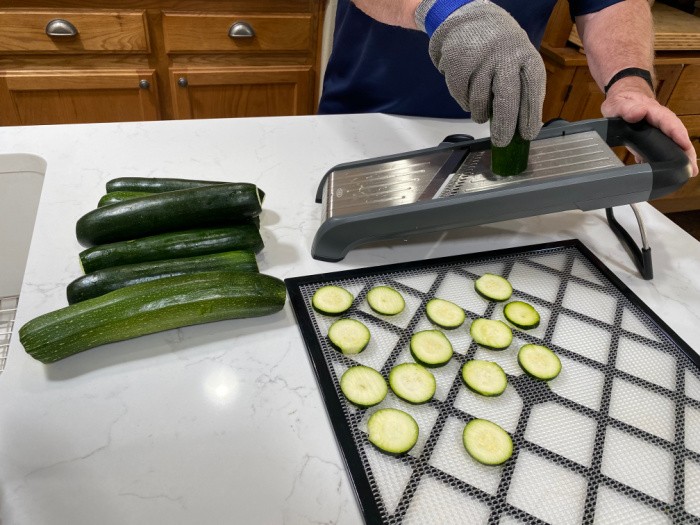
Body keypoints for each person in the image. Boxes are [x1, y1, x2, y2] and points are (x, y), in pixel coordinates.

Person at [318, 0, 698, 177]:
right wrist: (443, 11)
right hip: (368, 117)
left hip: (496, 126)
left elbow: (611, 3)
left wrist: (629, 82)